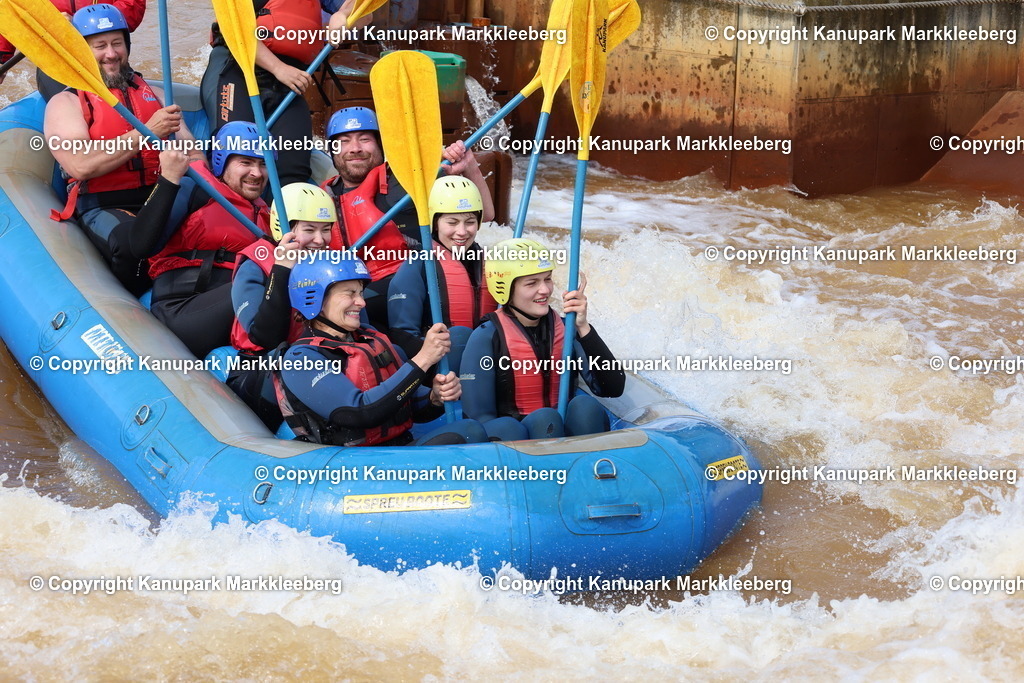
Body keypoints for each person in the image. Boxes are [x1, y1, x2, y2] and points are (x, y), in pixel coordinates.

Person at [43, 3, 189, 295]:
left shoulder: (157, 96)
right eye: (100, 46)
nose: (111, 53)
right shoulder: (66, 104)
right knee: (129, 243)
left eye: (117, 43)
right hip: (105, 205)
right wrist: (147, 132)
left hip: (161, 192)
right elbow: (81, 165)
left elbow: (195, 155)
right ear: (82, 51)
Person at [275, 255, 486, 447]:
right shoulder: (301, 359)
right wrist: (423, 359)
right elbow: (360, 413)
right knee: (469, 432)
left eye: (360, 293)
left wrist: (434, 397)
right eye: (350, 293)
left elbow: (407, 403)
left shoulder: (367, 337)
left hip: (393, 449)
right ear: (316, 299)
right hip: (352, 466)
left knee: (483, 427)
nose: (361, 302)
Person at [322, 106, 494, 328]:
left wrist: (468, 165)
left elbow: (486, 214)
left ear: (380, 146)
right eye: (344, 141)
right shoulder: (323, 195)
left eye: (364, 139)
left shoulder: (407, 179)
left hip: (409, 284)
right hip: (354, 288)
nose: (355, 148)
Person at [126, 121, 273, 358]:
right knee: (270, 282)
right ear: (221, 161)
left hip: (233, 309)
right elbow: (140, 245)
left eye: (263, 164)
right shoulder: (195, 188)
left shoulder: (266, 212)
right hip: (182, 310)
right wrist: (169, 179)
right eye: (245, 162)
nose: (256, 173)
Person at [460, 238, 626, 441]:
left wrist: (583, 327)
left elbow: (613, 388)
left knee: (585, 407)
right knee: (544, 419)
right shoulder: (486, 336)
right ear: (505, 288)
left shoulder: (567, 328)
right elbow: (478, 420)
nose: (545, 290)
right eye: (532, 283)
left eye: (547, 279)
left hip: (560, 435)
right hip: (516, 443)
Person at [200, 0, 372, 186]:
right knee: (236, 156)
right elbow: (233, 27)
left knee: (293, 170)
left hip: (288, 82)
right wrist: (278, 68)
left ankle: (280, 214)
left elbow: (365, 13)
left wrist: (343, 15)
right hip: (237, 70)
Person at [227, 182, 338, 428]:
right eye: (309, 229)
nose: (320, 240)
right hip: (261, 368)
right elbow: (265, 336)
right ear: (282, 227)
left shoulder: (330, 263)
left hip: (319, 359)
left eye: (326, 230)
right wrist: (282, 271)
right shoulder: (254, 265)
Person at [387, 175, 497, 369]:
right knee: (458, 336)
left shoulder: (490, 262)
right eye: (452, 222)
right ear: (435, 222)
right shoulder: (417, 266)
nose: (462, 232)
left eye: (470, 222)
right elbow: (402, 336)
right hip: (440, 369)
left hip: (485, 366)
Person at [0, 0, 146, 92]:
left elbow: (132, 7)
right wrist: (1, 57)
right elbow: (10, 14)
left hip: (106, 56)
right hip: (57, 62)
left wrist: (81, 23)